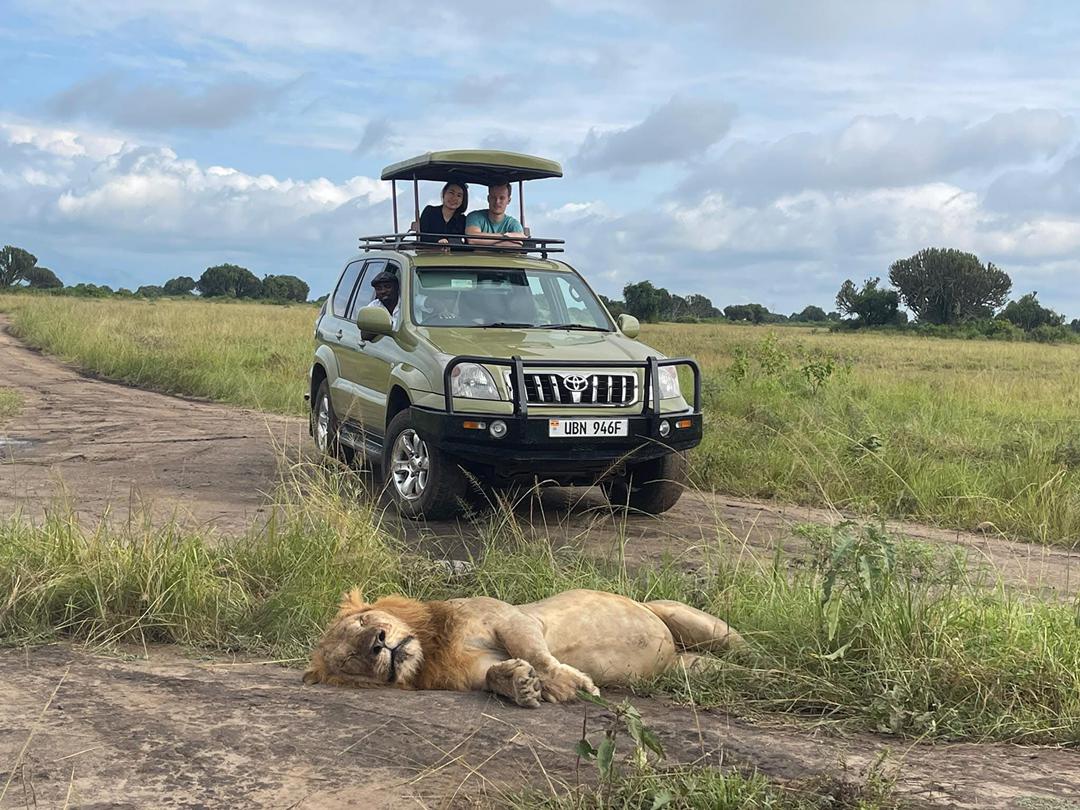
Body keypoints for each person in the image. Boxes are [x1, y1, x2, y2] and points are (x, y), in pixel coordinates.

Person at [465, 181, 526, 247]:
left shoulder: (514, 225)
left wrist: (484, 244)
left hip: (504, 257)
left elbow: (517, 247)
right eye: (493, 197)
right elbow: (472, 239)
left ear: (508, 200)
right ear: (488, 198)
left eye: (502, 198)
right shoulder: (475, 217)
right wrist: (506, 236)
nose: (497, 202)